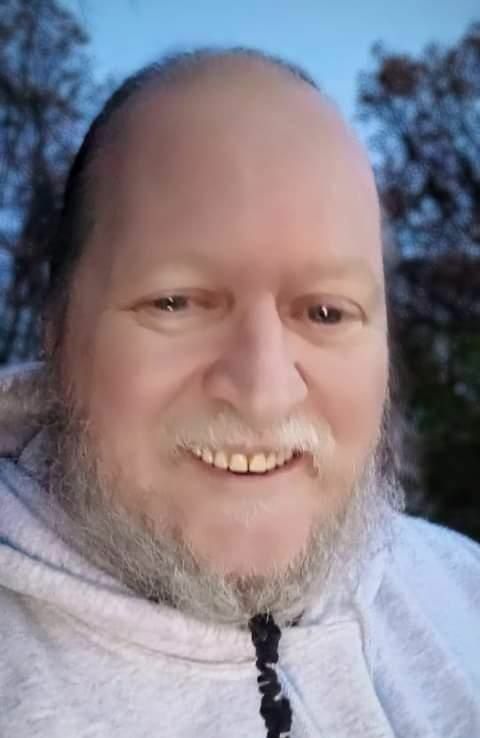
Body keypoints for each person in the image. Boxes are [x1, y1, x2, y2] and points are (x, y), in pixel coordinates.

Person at [0, 48, 479, 738]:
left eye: (326, 313)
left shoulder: (464, 591)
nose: (264, 392)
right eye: (174, 302)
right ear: (57, 331)